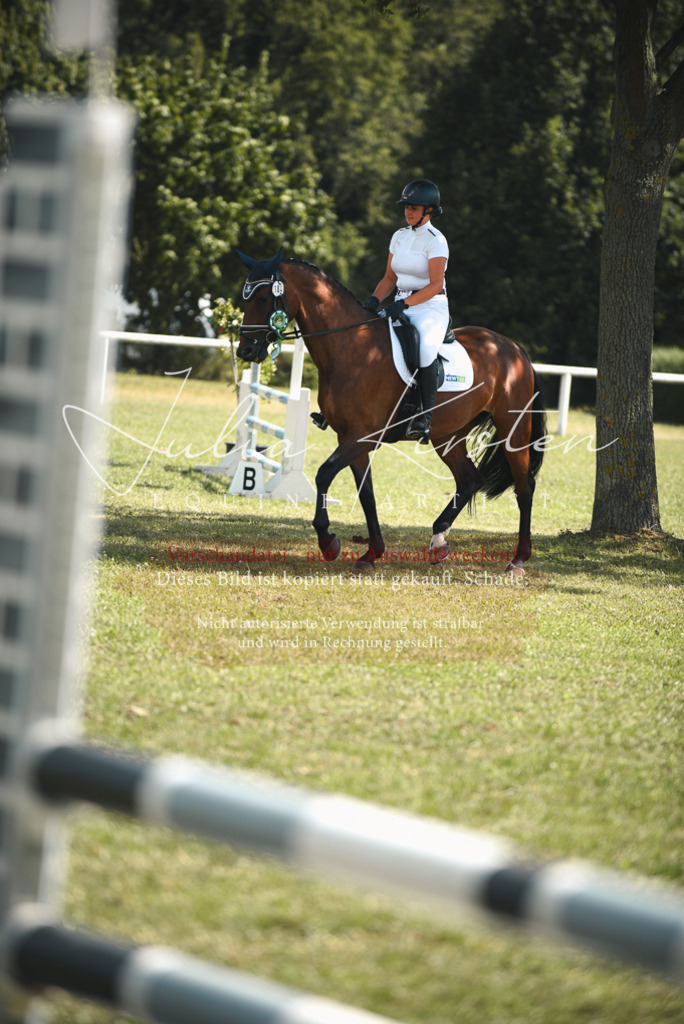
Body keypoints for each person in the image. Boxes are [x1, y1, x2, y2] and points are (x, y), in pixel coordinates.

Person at [366, 179, 449, 443]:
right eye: (406, 207)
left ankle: (424, 418)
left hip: (430, 307)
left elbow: (435, 285)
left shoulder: (437, 240)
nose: (408, 212)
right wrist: (373, 301)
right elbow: (389, 278)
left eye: (414, 208)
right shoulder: (399, 236)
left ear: (429, 210)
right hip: (399, 303)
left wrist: (405, 304)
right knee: (365, 337)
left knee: (425, 348)